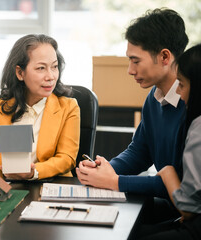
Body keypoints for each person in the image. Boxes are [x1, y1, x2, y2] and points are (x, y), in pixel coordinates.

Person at [76, 9, 188, 198]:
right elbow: (139, 152)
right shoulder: (154, 97)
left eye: (136, 61)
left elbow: (183, 184)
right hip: (169, 204)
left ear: (165, 57)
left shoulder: (193, 105)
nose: (130, 70)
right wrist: (105, 170)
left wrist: (115, 181)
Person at [0, 34, 80, 180]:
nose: (51, 76)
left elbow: (66, 158)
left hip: (48, 186)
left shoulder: (68, 107)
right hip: (7, 188)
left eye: (55, 67)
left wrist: (33, 172)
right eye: (41, 68)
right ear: (20, 73)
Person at [137, 44, 201, 240]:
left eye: (181, 84)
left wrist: (167, 173)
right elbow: (139, 149)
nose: (179, 94)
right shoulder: (153, 99)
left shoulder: (197, 126)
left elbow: (188, 209)